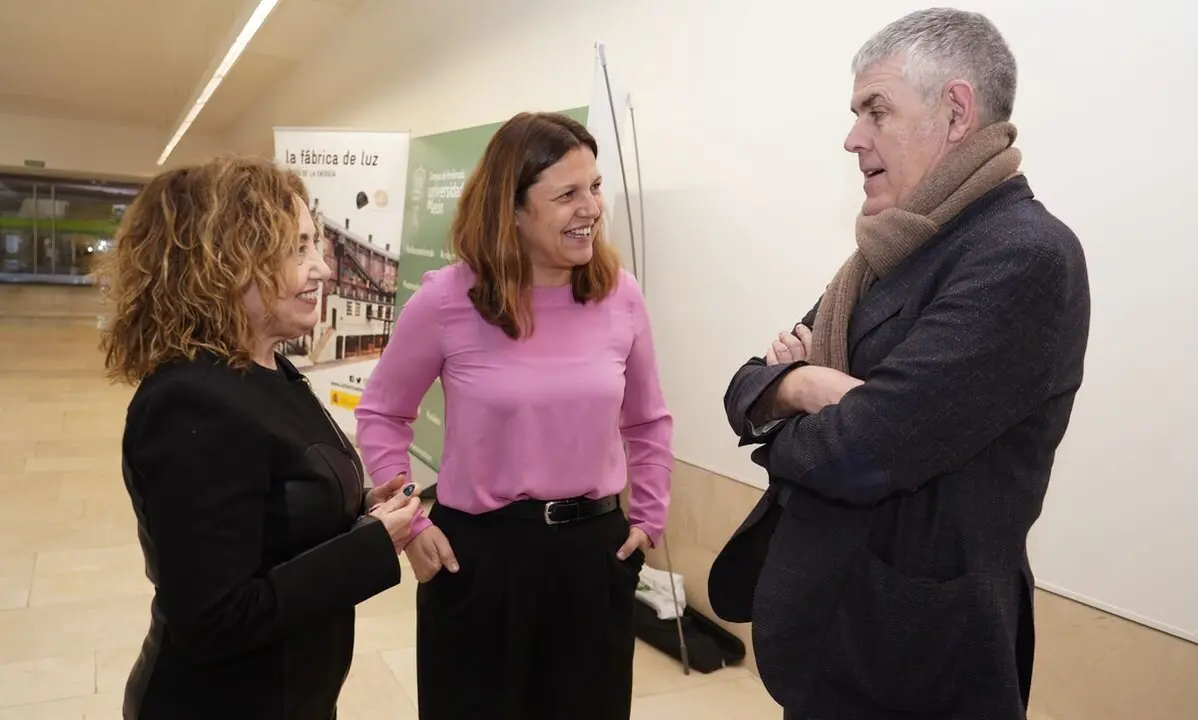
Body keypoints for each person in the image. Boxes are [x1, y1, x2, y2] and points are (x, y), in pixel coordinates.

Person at [710, 9, 1090, 720]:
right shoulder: (891, 252)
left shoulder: (1023, 256)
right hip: (833, 641)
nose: (852, 138)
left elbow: (862, 453)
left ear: (954, 113)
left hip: (915, 663)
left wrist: (791, 404)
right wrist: (804, 384)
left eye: (874, 112)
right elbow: (744, 389)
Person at [354, 111, 673, 720]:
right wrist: (410, 526)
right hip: (480, 558)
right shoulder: (447, 300)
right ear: (513, 210)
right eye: (567, 194)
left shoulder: (620, 294)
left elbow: (648, 420)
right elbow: (381, 414)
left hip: (593, 556)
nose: (592, 208)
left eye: (596, 187)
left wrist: (650, 516)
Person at [98, 156, 423, 720]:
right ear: (222, 263)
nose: (323, 268)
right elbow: (215, 619)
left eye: (316, 245)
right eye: (298, 249)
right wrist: (369, 546)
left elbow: (269, 506)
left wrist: (352, 512)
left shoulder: (268, 368)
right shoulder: (189, 402)